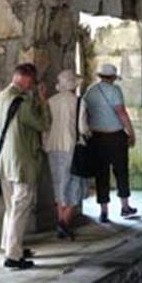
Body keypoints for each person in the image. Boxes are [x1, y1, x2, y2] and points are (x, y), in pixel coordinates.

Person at [0, 63, 51, 270]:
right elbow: (44, 124)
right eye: (33, 82)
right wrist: (42, 100)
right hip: (23, 164)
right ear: (28, 79)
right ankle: (13, 256)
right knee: (20, 209)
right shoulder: (23, 103)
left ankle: (10, 245)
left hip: (2, 163)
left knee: (11, 208)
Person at [83, 63, 137, 222]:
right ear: (113, 77)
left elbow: (86, 113)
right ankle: (125, 206)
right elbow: (121, 113)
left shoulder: (90, 91)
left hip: (96, 137)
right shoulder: (115, 91)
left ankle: (104, 211)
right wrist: (131, 133)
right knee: (121, 171)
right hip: (115, 137)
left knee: (101, 174)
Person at [44, 69, 88, 238]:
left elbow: (45, 126)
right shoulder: (79, 102)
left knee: (59, 186)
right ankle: (63, 224)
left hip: (53, 147)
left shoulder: (50, 101)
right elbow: (83, 128)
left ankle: (61, 222)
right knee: (75, 186)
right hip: (72, 147)